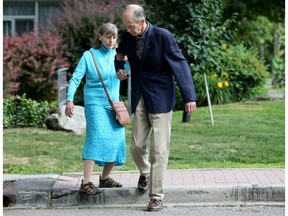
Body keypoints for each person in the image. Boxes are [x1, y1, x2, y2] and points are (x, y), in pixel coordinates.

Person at [115, 4, 197, 211]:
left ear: (142, 21)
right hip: (140, 95)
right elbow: (119, 54)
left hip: (160, 97)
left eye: (132, 26)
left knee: (159, 151)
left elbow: (180, 63)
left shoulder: (163, 36)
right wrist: (119, 69)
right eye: (126, 26)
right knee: (135, 147)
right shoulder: (128, 36)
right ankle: (145, 172)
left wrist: (189, 96)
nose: (129, 30)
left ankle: (156, 196)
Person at [65, 23, 126, 195]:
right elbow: (76, 78)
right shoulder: (89, 55)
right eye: (107, 36)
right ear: (100, 37)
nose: (111, 40)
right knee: (96, 138)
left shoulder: (119, 56)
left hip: (114, 105)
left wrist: (127, 68)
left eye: (114, 37)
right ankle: (86, 183)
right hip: (95, 104)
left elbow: (129, 71)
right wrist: (69, 99)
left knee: (118, 140)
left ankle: (105, 178)